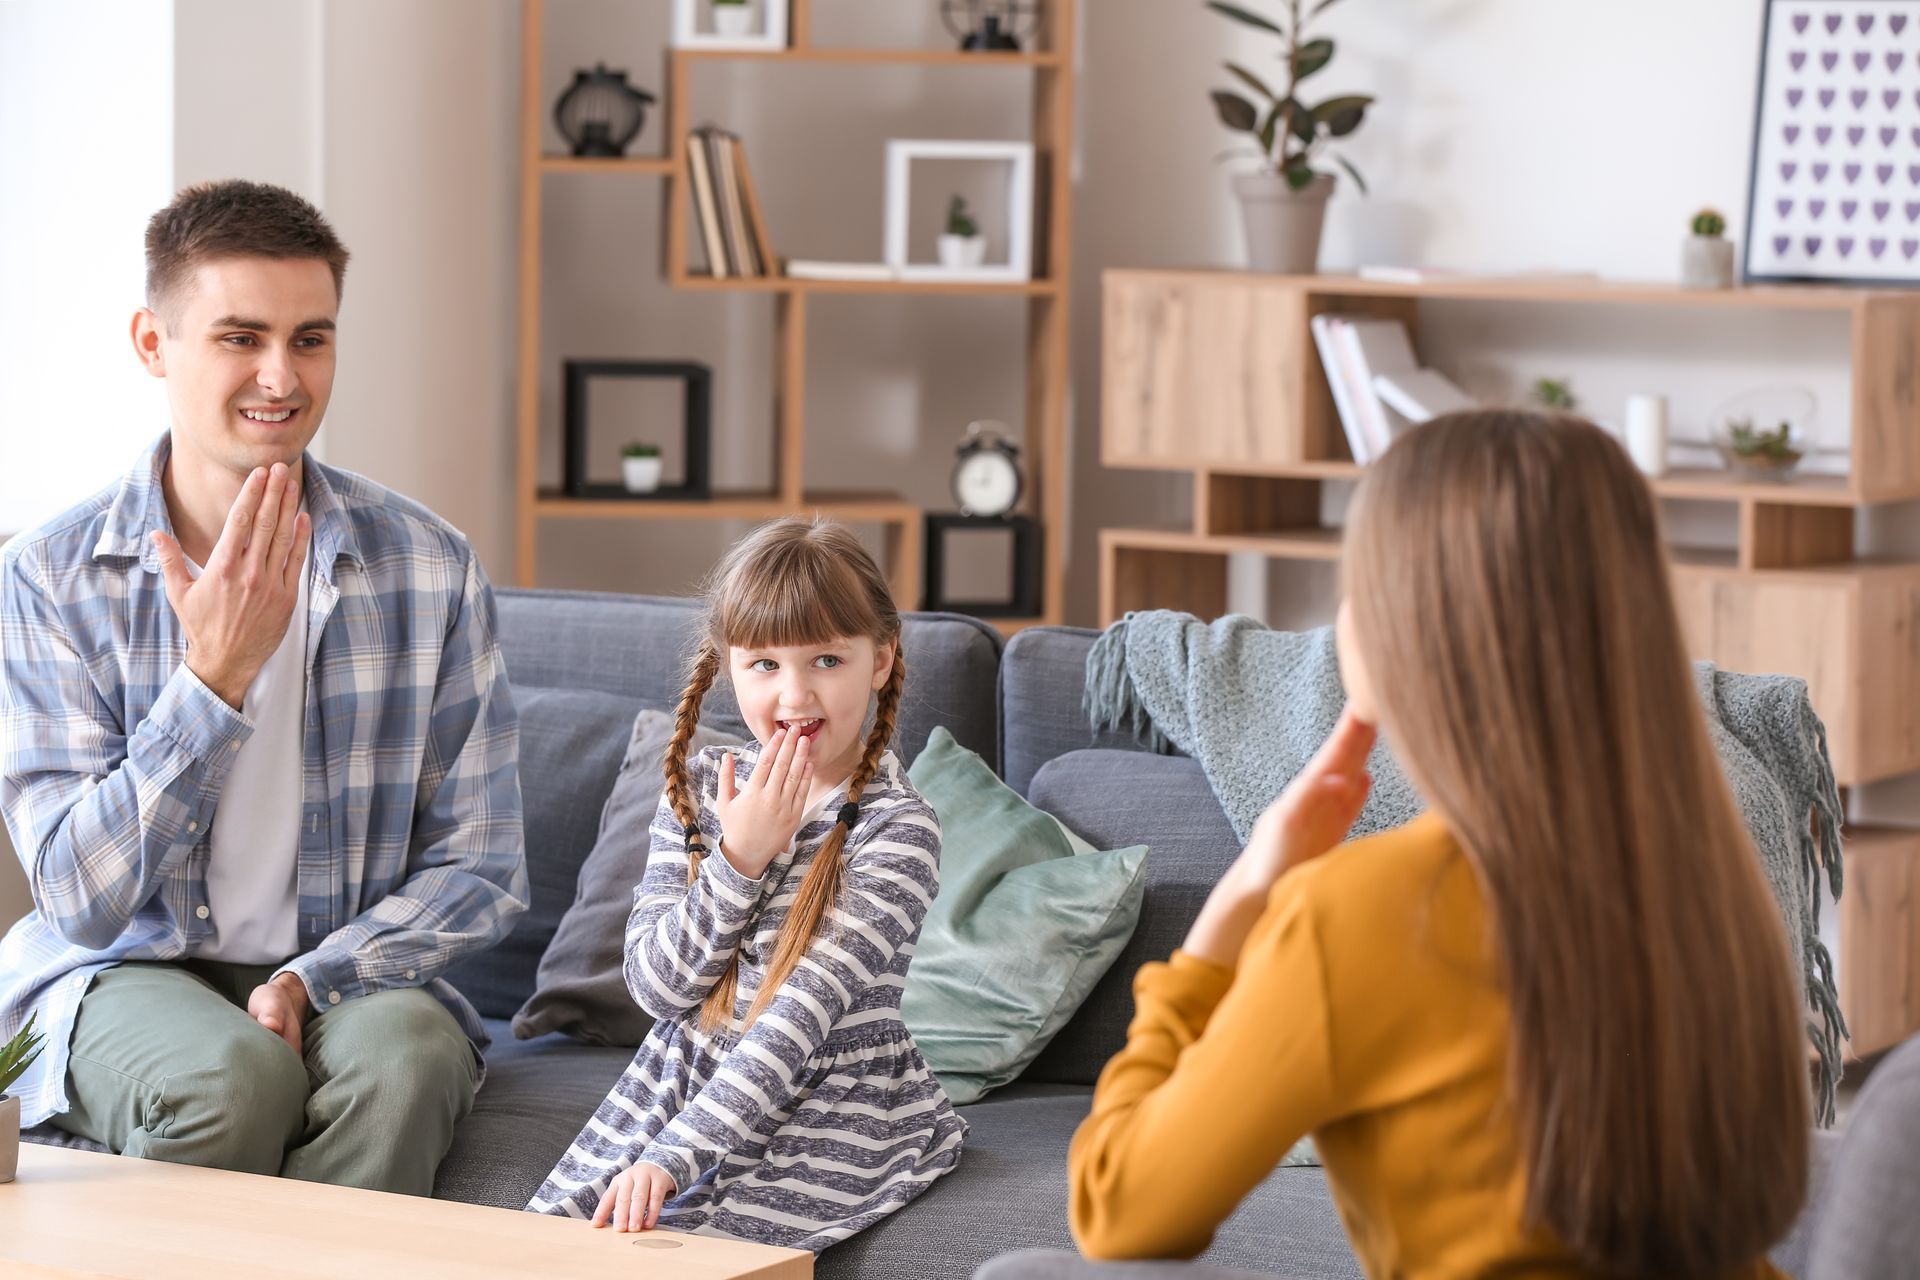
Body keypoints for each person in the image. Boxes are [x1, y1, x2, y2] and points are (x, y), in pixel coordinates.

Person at [1068, 412, 1809, 1278]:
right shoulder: (1718, 881)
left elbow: (1119, 1207)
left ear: (1406, 630)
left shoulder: (1358, 913)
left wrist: (1236, 906)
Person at [0, 179, 527, 1195]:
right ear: (154, 343)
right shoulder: (48, 575)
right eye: (240, 337)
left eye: (311, 338)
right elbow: (77, 893)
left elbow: (482, 862)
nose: (280, 376)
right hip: (127, 970)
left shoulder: (430, 564)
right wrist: (213, 679)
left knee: (410, 1061)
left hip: (349, 970)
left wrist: (309, 977)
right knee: (229, 1075)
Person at [528, 516, 966, 1249]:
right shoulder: (697, 792)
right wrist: (740, 860)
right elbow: (660, 990)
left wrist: (672, 1159)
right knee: (542, 1252)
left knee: (695, 1252)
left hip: (828, 1108)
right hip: (680, 1083)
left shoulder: (900, 832)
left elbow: (796, 1022)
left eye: (827, 659)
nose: (795, 697)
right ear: (728, 665)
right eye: (764, 663)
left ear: (881, 660)